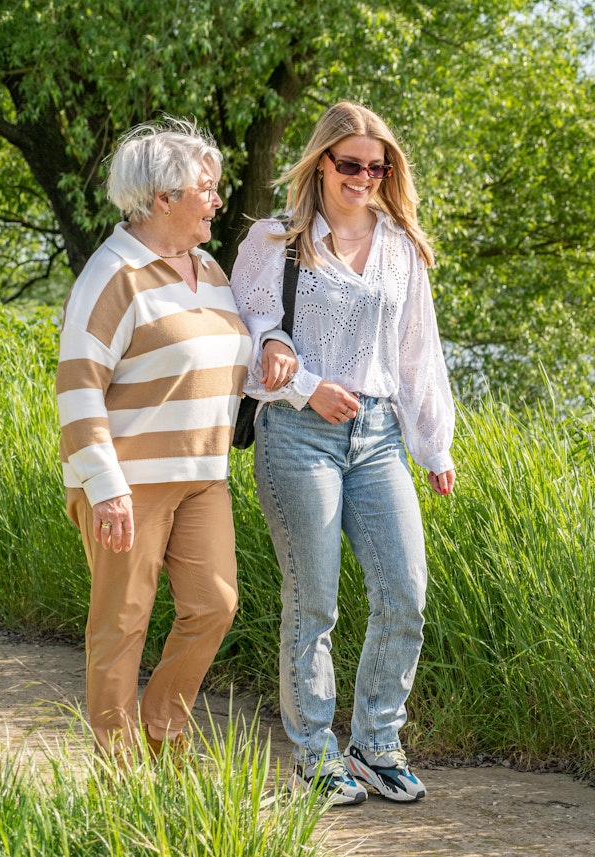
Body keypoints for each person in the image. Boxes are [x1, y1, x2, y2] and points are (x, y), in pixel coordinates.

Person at [230, 101, 455, 806]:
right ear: (320, 163)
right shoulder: (275, 240)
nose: (364, 176)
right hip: (299, 437)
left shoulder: (401, 246)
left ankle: (377, 743)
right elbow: (245, 339)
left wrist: (433, 443)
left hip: (381, 436)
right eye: (350, 164)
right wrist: (301, 384)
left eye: (376, 166)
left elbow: (420, 354)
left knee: (405, 594)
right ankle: (315, 755)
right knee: (314, 602)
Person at [56, 118, 249, 759]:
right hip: (128, 483)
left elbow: (233, 363)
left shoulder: (212, 271)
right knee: (122, 623)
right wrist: (105, 488)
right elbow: (78, 389)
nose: (217, 199)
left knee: (215, 604)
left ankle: (162, 729)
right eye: (206, 188)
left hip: (203, 475)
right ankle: (120, 772)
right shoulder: (111, 275)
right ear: (163, 198)